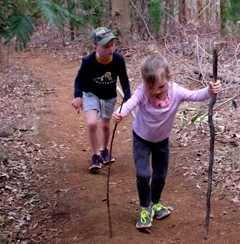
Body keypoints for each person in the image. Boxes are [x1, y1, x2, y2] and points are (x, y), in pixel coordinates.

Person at [112, 54, 222, 230]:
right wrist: (121, 113)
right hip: (141, 139)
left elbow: (195, 95)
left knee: (160, 176)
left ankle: (155, 203)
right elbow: (131, 102)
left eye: (161, 86)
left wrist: (210, 91)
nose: (156, 91)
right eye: (151, 87)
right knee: (143, 174)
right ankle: (145, 207)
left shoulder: (175, 91)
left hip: (162, 141)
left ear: (169, 78)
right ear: (145, 83)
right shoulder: (142, 91)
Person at [72, 27, 131, 173]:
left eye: (112, 45)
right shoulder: (88, 61)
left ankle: (104, 150)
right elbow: (79, 80)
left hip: (109, 95)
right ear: (95, 47)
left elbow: (124, 79)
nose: (110, 48)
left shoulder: (118, 60)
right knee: (92, 123)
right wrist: (78, 96)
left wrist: (128, 97)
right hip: (91, 93)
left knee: (105, 124)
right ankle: (95, 155)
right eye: (106, 46)